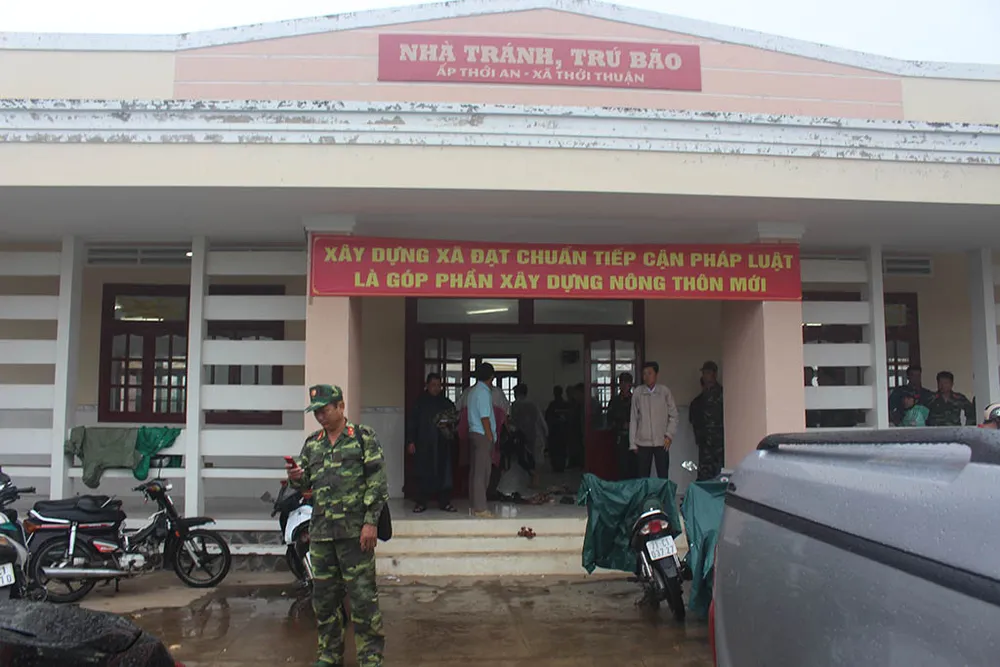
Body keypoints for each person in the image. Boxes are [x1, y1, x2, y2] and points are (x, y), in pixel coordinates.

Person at [286, 384, 388, 667]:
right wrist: (296, 476)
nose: (320, 416)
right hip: (322, 534)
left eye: (325, 410)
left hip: (355, 533)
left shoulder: (363, 438)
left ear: (341, 406)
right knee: (325, 600)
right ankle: (329, 655)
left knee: (363, 599)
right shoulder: (313, 443)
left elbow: (377, 483)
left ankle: (370, 657)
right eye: (316, 412)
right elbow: (305, 483)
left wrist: (370, 523)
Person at [406, 372, 459, 514]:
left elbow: (455, 421)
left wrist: (449, 425)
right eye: (433, 385)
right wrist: (410, 441)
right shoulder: (420, 403)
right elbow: (412, 423)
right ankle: (421, 502)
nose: (436, 388)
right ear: (427, 386)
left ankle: (445, 502)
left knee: (444, 473)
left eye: (438, 385)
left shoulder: (446, 403)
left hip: (443, 445)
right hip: (424, 444)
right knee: (423, 472)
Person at [629, 361, 679, 479]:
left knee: (663, 474)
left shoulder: (664, 392)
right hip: (642, 442)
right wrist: (632, 443)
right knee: (643, 476)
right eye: (644, 373)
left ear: (656, 375)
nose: (646, 376)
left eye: (649, 373)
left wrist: (669, 435)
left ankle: (663, 492)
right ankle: (644, 492)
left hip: (661, 441)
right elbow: (634, 418)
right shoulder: (638, 392)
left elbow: (674, 415)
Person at [467, 363, 497, 518]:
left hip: (474, 433)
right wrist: (490, 436)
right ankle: (480, 508)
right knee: (482, 472)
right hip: (482, 435)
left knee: (475, 472)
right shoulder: (484, 392)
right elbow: (485, 417)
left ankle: (474, 505)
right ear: (491, 377)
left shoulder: (472, 391)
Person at [689, 361, 725, 481]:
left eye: (707, 373)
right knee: (704, 475)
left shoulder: (723, 394)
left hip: (719, 443)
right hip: (705, 443)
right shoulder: (699, 400)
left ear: (714, 374)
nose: (705, 376)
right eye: (704, 373)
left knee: (720, 474)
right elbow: (693, 418)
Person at [510, 383, 548, 486]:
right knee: (534, 458)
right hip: (535, 434)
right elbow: (540, 420)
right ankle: (534, 479)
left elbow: (514, 422)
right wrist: (546, 432)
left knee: (523, 459)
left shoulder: (515, 405)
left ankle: (533, 477)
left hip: (522, 435)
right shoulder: (533, 404)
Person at [606, 372, 635, 480]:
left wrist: (632, 424)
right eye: (622, 383)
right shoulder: (615, 401)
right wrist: (621, 424)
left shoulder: (635, 400)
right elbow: (609, 419)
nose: (624, 386)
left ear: (630, 384)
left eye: (627, 383)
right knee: (621, 465)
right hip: (620, 436)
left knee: (634, 465)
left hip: (634, 437)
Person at [545, 386, 571, 473]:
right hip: (562, 431)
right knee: (561, 450)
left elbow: (547, 417)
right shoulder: (565, 404)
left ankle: (557, 466)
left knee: (555, 450)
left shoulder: (553, 404)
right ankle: (560, 466)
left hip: (555, 431)